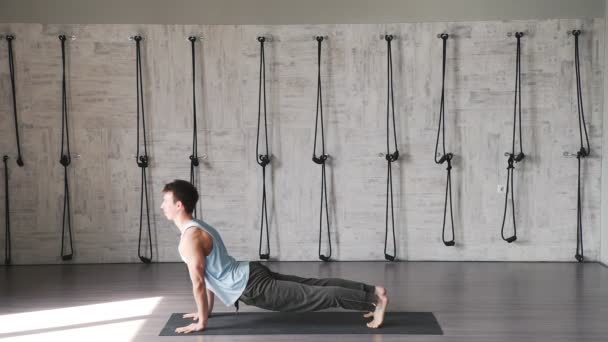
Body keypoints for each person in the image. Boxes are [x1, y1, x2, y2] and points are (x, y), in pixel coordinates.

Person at [160, 179, 389, 334]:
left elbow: (199, 283)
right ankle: (373, 291)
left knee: (314, 295)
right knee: (315, 285)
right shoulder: (198, 226)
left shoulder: (189, 239)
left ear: (179, 205)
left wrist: (202, 322)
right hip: (250, 271)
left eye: (165, 202)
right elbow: (210, 277)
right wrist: (205, 312)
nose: (162, 206)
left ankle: (375, 301)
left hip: (251, 286)